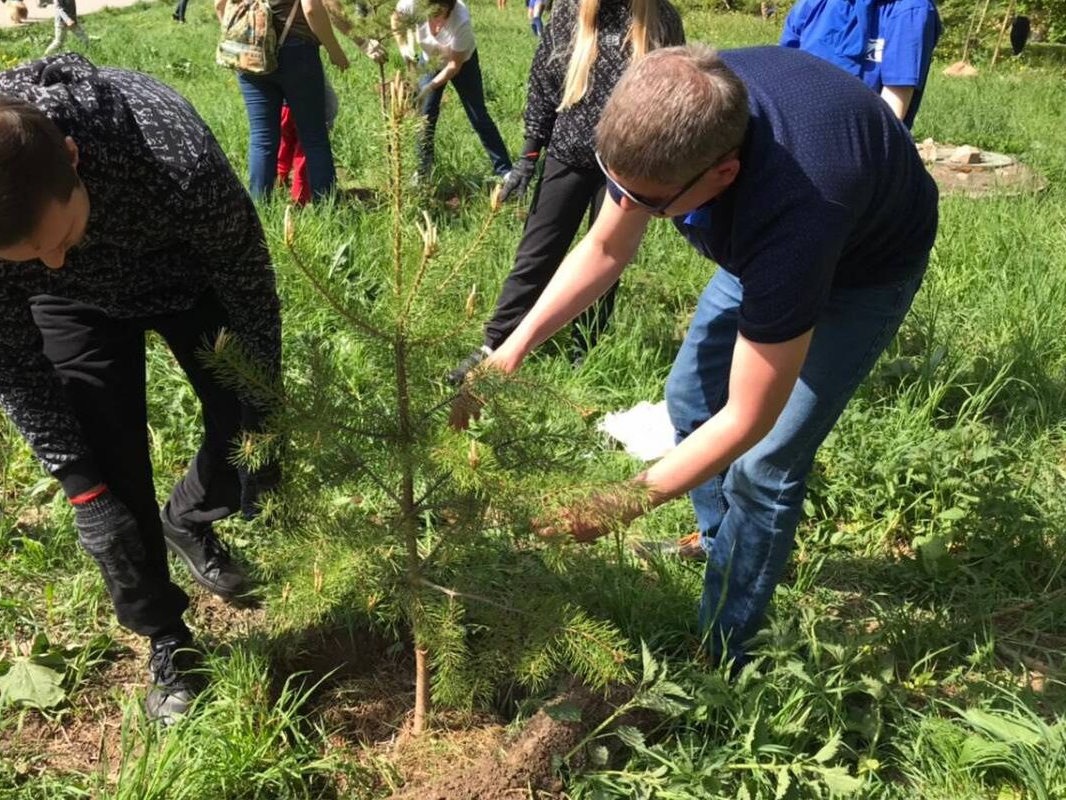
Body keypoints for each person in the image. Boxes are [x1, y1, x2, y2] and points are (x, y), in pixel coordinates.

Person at [468, 45, 938, 666]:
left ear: (722, 174)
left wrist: (622, 503)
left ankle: (723, 656)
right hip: (765, 242)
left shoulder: (797, 220)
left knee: (764, 466)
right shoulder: (671, 115)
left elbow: (749, 419)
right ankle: (723, 543)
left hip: (863, 269)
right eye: (617, 185)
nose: (628, 205)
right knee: (691, 395)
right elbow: (606, 248)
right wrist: (507, 355)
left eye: (652, 203)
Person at [0, 55, 283, 723]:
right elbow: (5, 358)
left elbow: (248, 280)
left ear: (75, 160)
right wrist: (79, 482)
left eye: (59, 237)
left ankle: (191, 518)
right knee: (106, 474)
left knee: (245, 423)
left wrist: (265, 395)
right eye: (27, 256)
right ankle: (167, 638)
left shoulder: (173, 156)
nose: (52, 257)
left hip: (185, 276)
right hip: (70, 307)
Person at [449, 0, 684, 381]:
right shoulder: (570, 10)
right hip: (568, 154)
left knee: (606, 259)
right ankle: (496, 342)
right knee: (536, 253)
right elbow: (544, 81)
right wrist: (528, 156)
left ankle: (584, 351)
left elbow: (673, 99)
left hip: (627, 167)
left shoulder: (662, 18)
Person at [218, 0, 352, 202]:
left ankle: (260, 211)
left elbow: (219, 5)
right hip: (296, 51)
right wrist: (335, 51)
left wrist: (248, 36)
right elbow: (312, 10)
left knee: (261, 138)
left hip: (249, 52)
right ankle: (325, 209)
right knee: (314, 137)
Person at [385, 0, 513, 183]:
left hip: (463, 64)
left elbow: (454, 66)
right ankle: (423, 172)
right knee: (425, 117)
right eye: (432, 11)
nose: (436, 18)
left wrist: (429, 86)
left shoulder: (461, 20)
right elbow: (396, 19)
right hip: (431, 61)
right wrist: (405, 49)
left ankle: (505, 170)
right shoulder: (412, 3)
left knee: (478, 116)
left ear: (450, 6)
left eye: (441, 12)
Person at [780, 0, 942, 127]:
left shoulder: (909, 10)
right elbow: (782, 77)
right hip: (798, 131)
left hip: (860, 145)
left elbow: (892, 111)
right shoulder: (814, 4)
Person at [277, 80, 339, 205]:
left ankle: (277, 186)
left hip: (283, 106)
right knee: (304, 156)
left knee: (284, 148)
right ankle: (299, 200)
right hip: (308, 106)